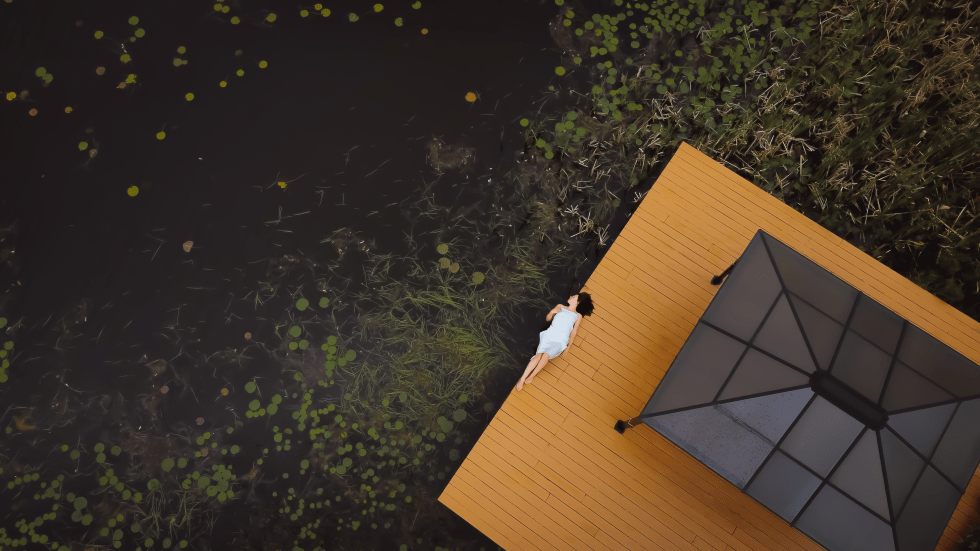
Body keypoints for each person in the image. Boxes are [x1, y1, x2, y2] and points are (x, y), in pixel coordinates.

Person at [516, 292, 594, 391]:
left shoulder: (577, 316)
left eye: (574, 297)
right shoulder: (560, 307)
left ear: (577, 302)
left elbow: (573, 332)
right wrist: (553, 311)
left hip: (561, 339)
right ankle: (522, 379)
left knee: (546, 355)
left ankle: (532, 375)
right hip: (550, 333)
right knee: (538, 354)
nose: (570, 296)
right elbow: (548, 318)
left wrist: (568, 348)